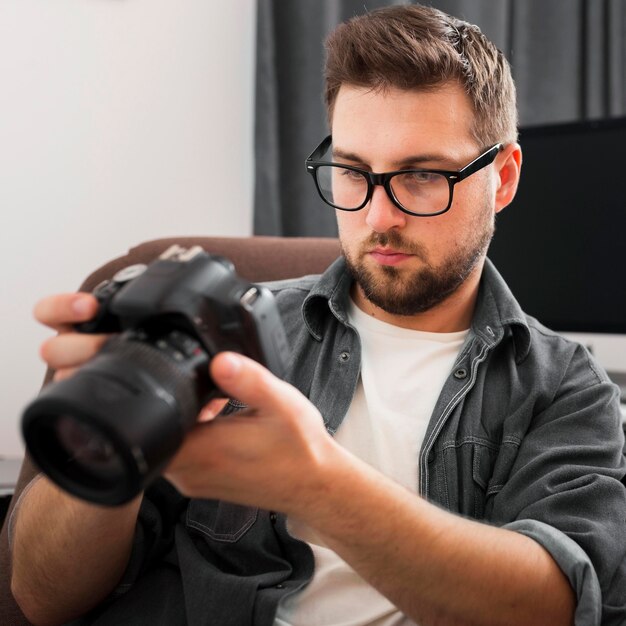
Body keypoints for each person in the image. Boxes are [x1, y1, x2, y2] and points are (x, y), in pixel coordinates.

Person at [9, 5, 626, 626]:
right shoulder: (222, 336)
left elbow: (553, 607)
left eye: (420, 176)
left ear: (504, 178)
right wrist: (104, 431)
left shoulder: (567, 389)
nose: (379, 217)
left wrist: (317, 486)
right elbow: (41, 599)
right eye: (353, 172)